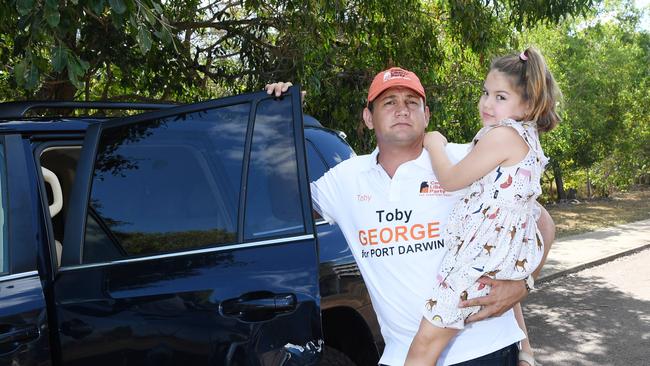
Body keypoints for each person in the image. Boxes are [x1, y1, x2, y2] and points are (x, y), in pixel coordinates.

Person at [265, 65, 555, 365]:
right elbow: (284, 205)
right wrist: (278, 124)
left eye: (411, 102)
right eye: (389, 102)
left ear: (426, 115)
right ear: (368, 117)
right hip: (402, 356)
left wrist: (523, 288)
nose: (402, 109)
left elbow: (531, 226)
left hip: (486, 350)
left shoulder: (459, 159)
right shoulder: (345, 179)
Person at [405, 47, 560, 366]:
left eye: (501, 97)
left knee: (423, 348)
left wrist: (434, 143)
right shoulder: (526, 138)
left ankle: (525, 352)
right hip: (497, 257)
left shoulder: (502, 136)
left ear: (528, 103)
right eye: (486, 92)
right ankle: (526, 352)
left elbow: (450, 179)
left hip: (474, 260)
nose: (488, 103)